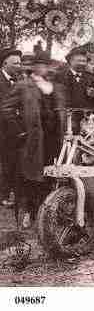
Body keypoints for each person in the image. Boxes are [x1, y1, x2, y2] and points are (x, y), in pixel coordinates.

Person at [1, 53, 66, 229]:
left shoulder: (55, 87)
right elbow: (5, 109)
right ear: (35, 67)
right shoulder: (24, 86)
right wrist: (20, 132)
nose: (45, 68)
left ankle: (44, 216)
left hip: (53, 141)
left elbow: (61, 112)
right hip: (32, 141)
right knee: (28, 179)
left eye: (47, 65)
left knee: (50, 177)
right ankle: (25, 215)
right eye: (41, 65)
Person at [0, 48, 22, 208]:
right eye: (16, 63)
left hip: (15, 128)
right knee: (4, 162)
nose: (19, 66)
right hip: (3, 128)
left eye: (20, 63)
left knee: (13, 161)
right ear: (5, 63)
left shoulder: (19, 80)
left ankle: (10, 193)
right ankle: (3, 195)